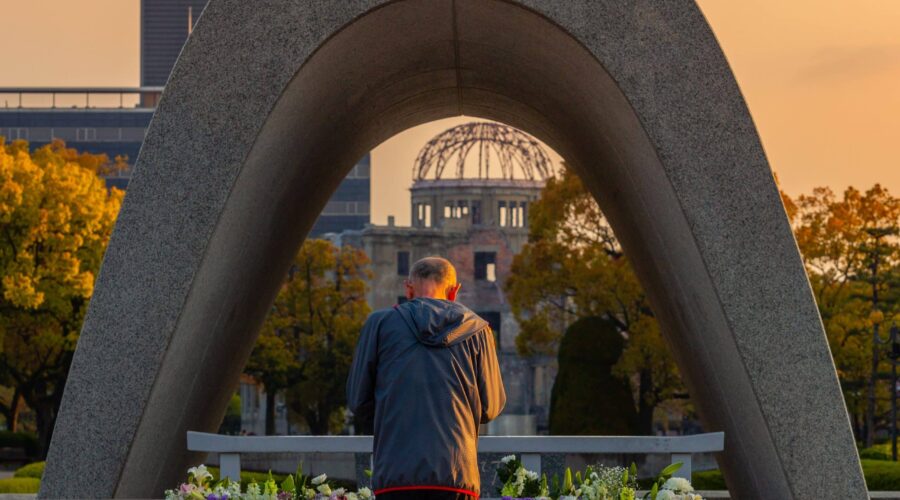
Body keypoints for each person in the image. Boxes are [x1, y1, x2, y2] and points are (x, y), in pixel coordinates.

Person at [347, 256, 506, 500]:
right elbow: (490, 407)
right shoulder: (478, 329)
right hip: (457, 475)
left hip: (394, 473)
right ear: (454, 291)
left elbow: (359, 401)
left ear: (408, 288)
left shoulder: (379, 324)